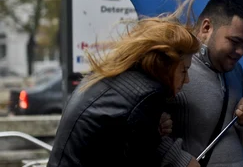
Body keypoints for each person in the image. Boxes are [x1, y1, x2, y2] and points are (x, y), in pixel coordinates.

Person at [47, 16, 202, 167]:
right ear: (166, 64)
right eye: (184, 70)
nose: (187, 79)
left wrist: (154, 129)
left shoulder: (116, 78)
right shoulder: (147, 95)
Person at [162, 0, 243, 167]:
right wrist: (181, 161)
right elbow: (143, 133)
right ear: (206, 28)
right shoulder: (174, 67)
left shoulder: (238, 73)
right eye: (235, 41)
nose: (241, 52)